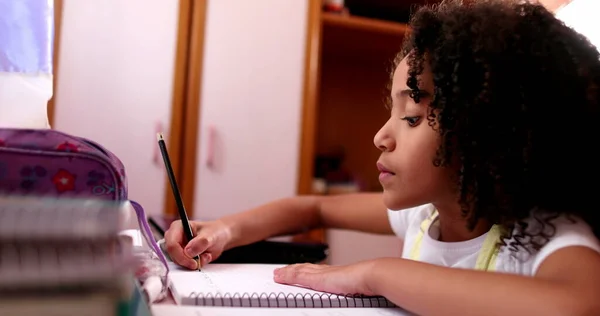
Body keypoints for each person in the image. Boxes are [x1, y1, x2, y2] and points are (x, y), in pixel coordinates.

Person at [164, 0, 600, 314]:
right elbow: (311, 206)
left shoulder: (543, 235)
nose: (380, 137)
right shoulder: (426, 216)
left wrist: (376, 274)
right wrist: (225, 230)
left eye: (411, 117)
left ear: (488, 131)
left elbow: (578, 303)